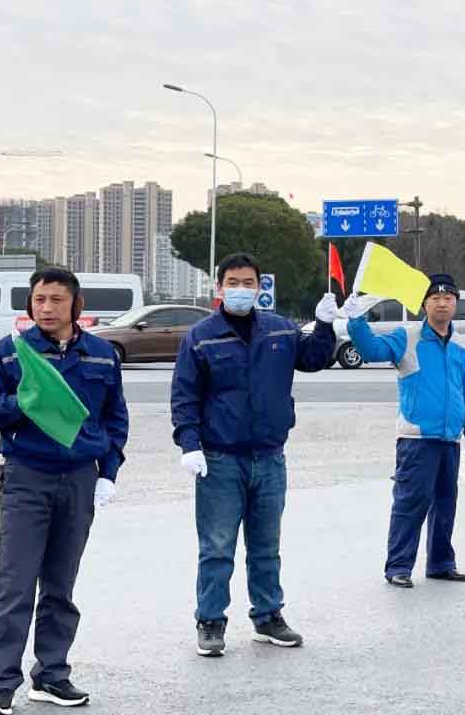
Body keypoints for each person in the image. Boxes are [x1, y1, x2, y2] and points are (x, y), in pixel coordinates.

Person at [0, 267, 129, 715]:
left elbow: (115, 418)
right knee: (15, 586)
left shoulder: (100, 355)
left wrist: (108, 472)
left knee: (61, 586)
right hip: (26, 478)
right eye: (39, 299)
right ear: (30, 305)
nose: (46, 308)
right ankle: (2, 684)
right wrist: (20, 404)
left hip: (79, 479)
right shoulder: (11, 354)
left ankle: (52, 676)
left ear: (76, 306)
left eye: (57, 300)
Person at [171, 252, 337, 657]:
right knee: (217, 547)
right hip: (220, 460)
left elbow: (315, 358)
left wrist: (328, 325)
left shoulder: (281, 331)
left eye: (249, 283)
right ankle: (210, 621)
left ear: (260, 288)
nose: (241, 289)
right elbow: (184, 397)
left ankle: (268, 617)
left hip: (269, 457)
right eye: (233, 282)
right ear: (219, 287)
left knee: (266, 545)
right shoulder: (201, 336)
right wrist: (189, 445)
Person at [344, 273, 465, 588]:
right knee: (411, 502)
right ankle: (398, 566)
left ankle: (441, 563)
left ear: (456, 303)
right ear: (424, 304)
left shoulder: (462, 346)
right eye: (435, 299)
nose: (442, 304)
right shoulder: (408, 337)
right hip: (417, 439)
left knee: (446, 502)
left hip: (449, 440)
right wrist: (356, 321)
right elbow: (371, 350)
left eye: (448, 299)